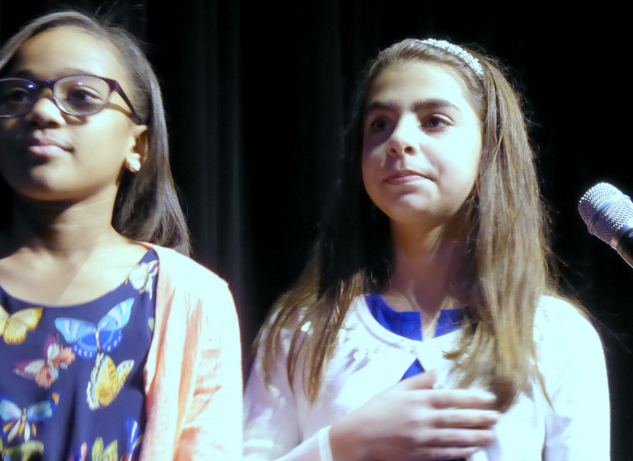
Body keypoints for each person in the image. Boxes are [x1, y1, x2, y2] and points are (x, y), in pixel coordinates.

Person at [0, 10, 242, 461]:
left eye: (81, 96)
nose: (41, 111)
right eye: (17, 95)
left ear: (136, 147)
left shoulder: (195, 297)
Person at [243, 38, 609, 460]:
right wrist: (341, 445)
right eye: (380, 124)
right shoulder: (303, 331)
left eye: (433, 121)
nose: (399, 140)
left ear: (488, 146)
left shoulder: (555, 334)